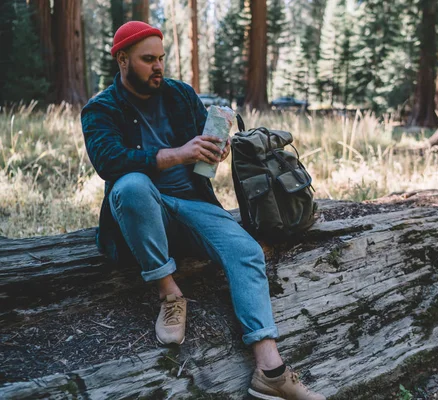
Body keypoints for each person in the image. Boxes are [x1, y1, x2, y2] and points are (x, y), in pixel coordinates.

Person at [81, 21, 325, 400]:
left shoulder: (180, 95)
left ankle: (270, 370)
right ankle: (169, 294)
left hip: (193, 204)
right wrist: (179, 153)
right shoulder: (100, 109)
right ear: (123, 59)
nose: (158, 67)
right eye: (148, 60)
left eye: (161, 58)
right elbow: (110, 162)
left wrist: (216, 149)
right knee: (131, 184)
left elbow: (203, 149)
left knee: (245, 252)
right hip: (144, 211)